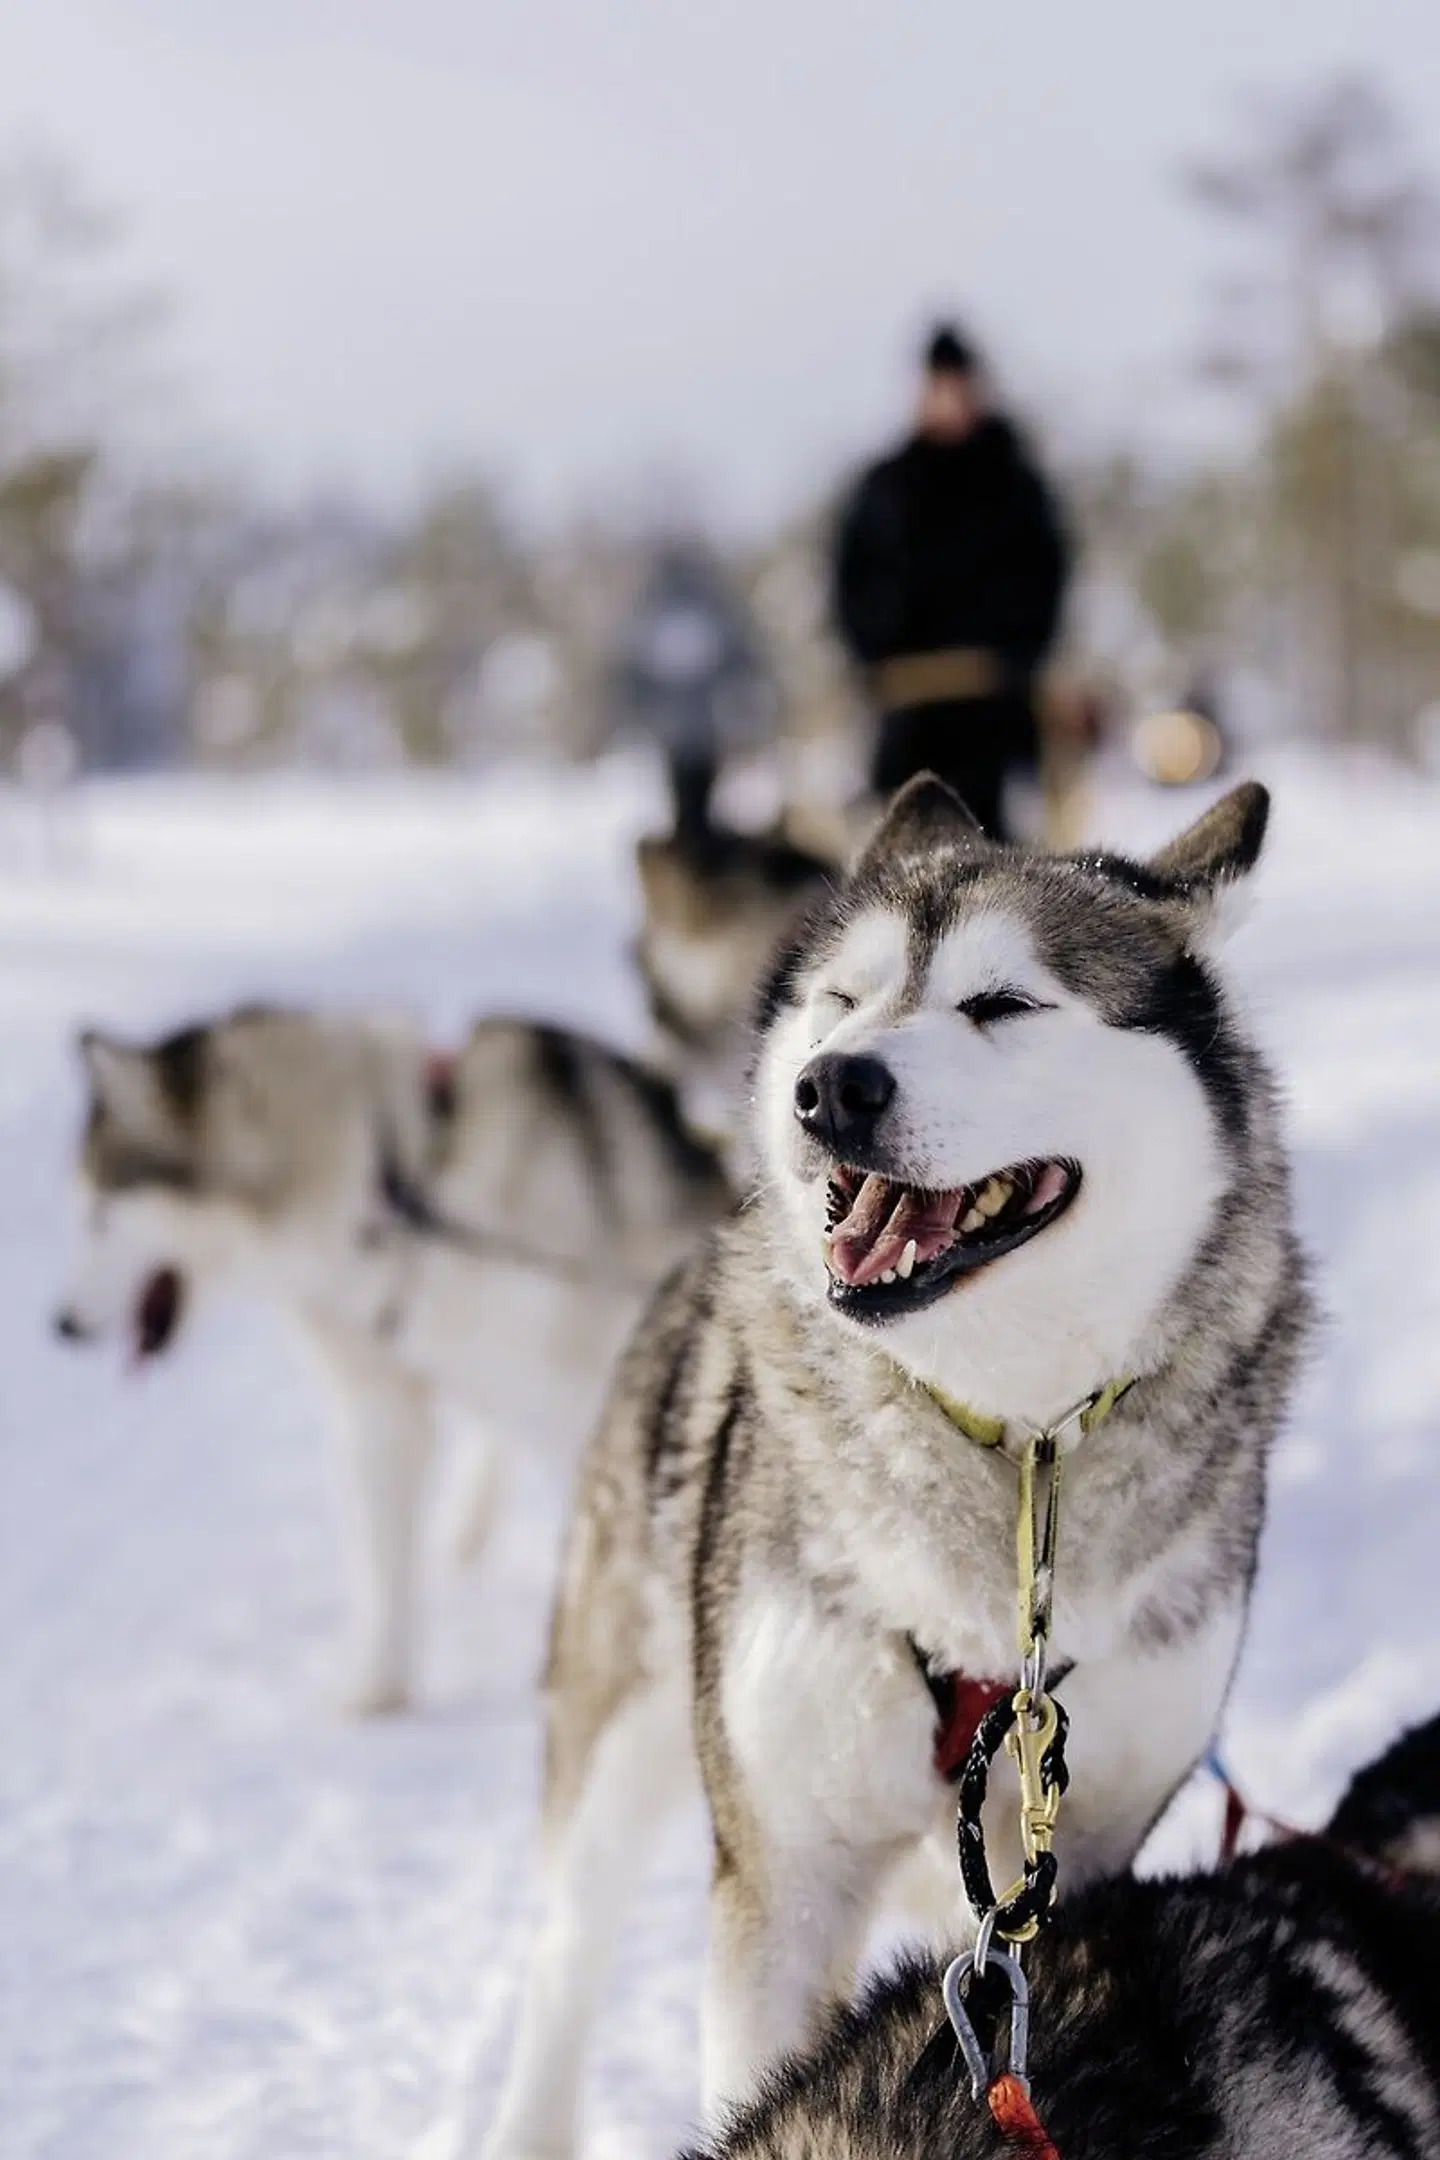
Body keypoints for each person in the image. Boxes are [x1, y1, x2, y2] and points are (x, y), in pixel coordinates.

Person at [832, 322, 1070, 837]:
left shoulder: (1015, 483)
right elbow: (850, 580)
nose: (949, 400)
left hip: (994, 704)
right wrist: (875, 649)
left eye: (958, 387)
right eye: (938, 387)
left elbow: (1048, 575)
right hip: (907, 705)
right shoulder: (884, 487)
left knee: (998, 846)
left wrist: (1018, 652)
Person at [616, 541, 771, 842]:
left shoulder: (662, 607)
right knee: (693, 803)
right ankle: (697, 860)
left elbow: (633, 667)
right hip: (692, 727)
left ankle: (698, 862)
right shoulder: (689, 605)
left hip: (689, 728)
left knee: (695, 802)